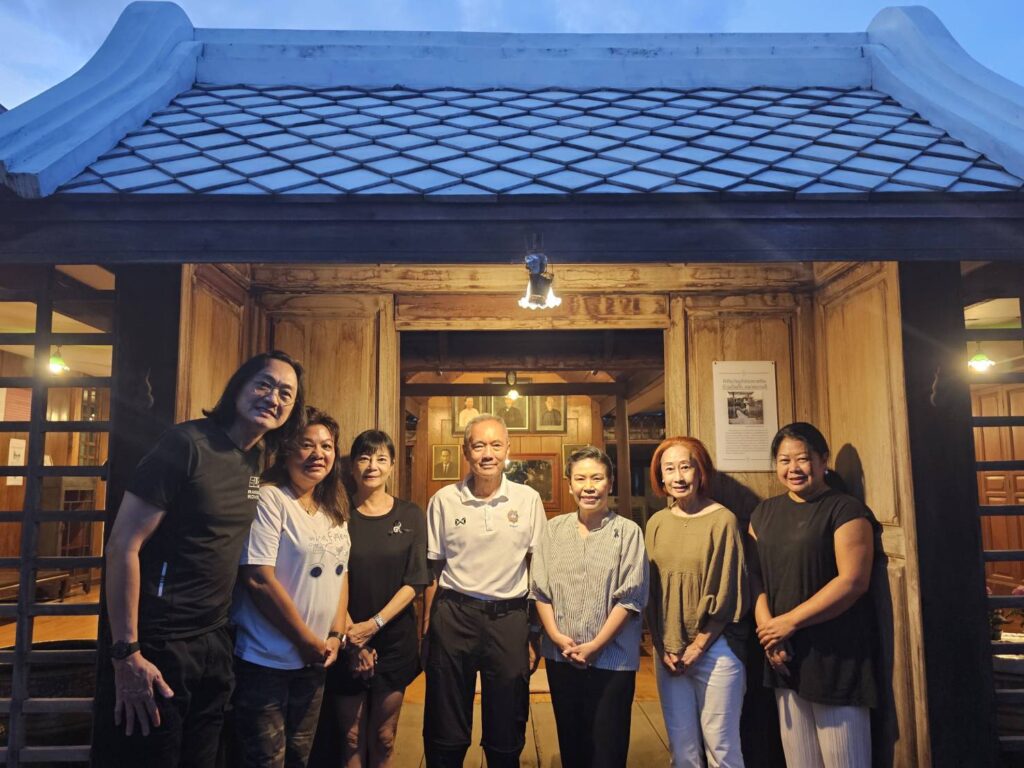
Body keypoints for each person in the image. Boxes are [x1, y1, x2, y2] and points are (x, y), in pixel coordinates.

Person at [97, 351, 306, 768]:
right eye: (264, 384)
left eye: (286, 393)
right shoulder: (186, 444)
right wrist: (126, 653)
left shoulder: (255, 458)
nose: (274, 398)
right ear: (239, 387)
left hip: (215, 639)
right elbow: (122, 546)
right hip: (160, 642)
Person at [750, 422, 877, 768]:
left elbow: (853, 581)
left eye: (803, 459)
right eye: (784, 460)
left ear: (823, 460)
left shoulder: (845, 509)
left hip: (835, 654)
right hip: (783, 655)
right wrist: (769, 632)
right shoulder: (763, 513)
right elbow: (754, 577)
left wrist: (788, 623)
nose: (793, 468)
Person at [423, 414, 546, 767]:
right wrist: (428, 631)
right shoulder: (444, 500)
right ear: (466, 451)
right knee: (445, 726)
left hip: (509, 617)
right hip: (453, 615)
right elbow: (434, 569)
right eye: (478, 446)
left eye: (495, 445)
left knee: (507, 726)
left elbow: (539, 568)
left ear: (508, 449)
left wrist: (534, 632)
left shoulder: (527, 499)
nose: (487, 454)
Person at [231, 406, 351, 768]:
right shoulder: (271, 498)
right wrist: (305, 639)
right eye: (307, 444)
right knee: (266, 760)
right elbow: (258, 578)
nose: (319, 454)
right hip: (267, 658)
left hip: (315, 657)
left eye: (327, 446)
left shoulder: (333, 507)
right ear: (286, 450)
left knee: (300, 756)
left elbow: (340, 573)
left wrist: (335, 634)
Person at [531, 446, 648, 768]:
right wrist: (556, 637)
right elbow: (539, 590)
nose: (589, 487)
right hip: (562, 656)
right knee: (572, 744)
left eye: (597, 478)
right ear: (569, 484)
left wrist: (596, 646)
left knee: (608, 748)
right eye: (580, 479)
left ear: (610, 483)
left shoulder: (628, 532)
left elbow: (631, 598)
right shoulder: (553, 530)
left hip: (613, 659)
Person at [645, 436, 750, 768]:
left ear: (700, 471)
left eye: (685, 467)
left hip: (716, 647)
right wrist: (662, 646)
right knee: (682, 750)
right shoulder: (656, 523)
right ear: (660, 477)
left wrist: (698, 646)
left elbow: (729, 592)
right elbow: (650, 593)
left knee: (722, 747)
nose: (678, 477)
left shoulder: (723, 520)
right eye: (669, 469)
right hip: (669, 651)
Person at [328, 429, 430, 768]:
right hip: (343, 637)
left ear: (392, 466)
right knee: (350, 737)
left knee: (384, 737)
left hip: (394, 640)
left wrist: (373, 626)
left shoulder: (411, 515)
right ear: (352, 466)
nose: (372, 465)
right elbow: (329, 580)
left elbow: (416, 580)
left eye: (381, 458)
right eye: (364, 458)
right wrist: (352, 639)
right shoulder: (336, 515)